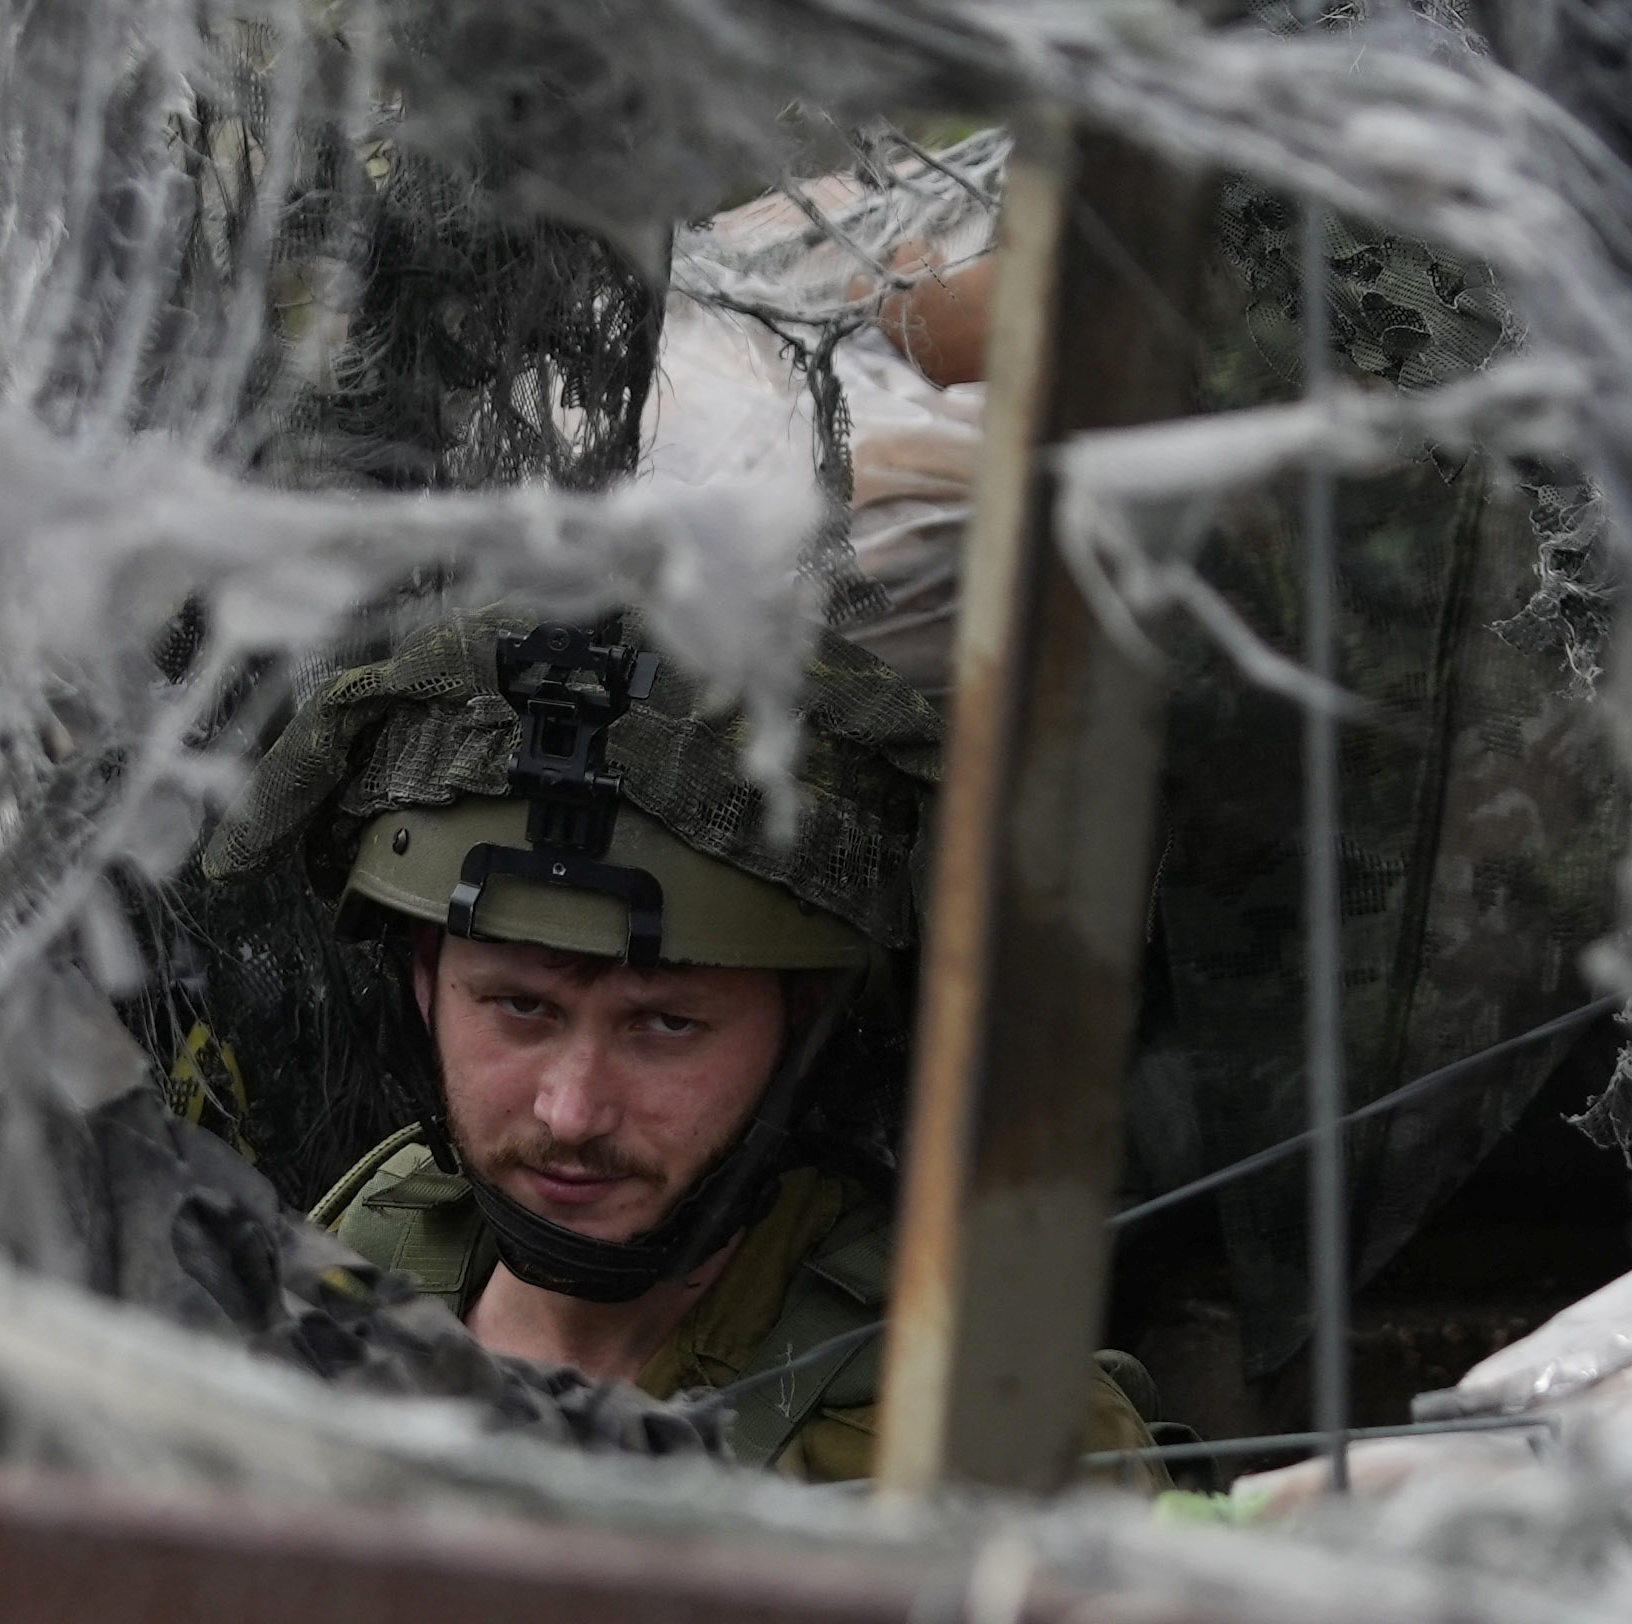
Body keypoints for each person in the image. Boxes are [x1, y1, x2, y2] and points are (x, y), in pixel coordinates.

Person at [215, 607, 1155, 1482]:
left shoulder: (986, 1441)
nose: (573, 1111)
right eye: (520, 1008)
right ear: (426, 979)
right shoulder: (377, 1239)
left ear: (805, 1023)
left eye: (666, 1025)